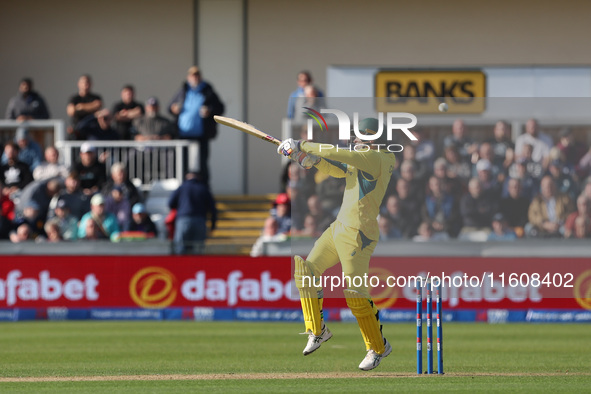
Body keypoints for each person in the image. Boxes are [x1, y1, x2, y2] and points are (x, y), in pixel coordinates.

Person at [277, 117, 395, 371]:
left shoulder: (376, 159)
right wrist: (308, 160)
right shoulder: (363, 159)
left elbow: (336, 152)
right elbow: (338, 168)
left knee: (354, 294)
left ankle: (378, 347)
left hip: (359, 235)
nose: (355, 140)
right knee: (305, 271)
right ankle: (317, 331)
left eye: (359, 137)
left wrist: (301, 144)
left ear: (372, 139)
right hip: (339, 228)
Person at [168, 66, 225, 183]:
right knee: (182, 164)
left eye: (197, 75)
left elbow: (220, 107)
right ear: (188, 77)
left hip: (201, 136)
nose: (195, 78)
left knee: (202, 165)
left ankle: (203, 190)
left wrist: (209, 110)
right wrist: (173, 109)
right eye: (192, 75)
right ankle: (183, 189)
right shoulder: (183, 90)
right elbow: (169, 107)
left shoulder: (207, 91)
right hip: (183, 135)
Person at [168, 170, 217, 254]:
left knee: (180, 247)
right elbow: (212, 208)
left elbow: (171, 203)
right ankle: (196, 267)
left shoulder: (182, 188)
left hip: (183, 220)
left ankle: (181, 266)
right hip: (200, 221)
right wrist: (213, 224)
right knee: (197, 249)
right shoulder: (203, 188)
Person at [66, 74, 103, 140]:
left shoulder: (96, 97)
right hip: (77, 129)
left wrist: (80, 107)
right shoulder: (74, 99)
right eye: (83, 82)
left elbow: (97, 105)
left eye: (87, 82)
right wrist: (91, 107)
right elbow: (71, 111)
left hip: (92, 130)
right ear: (79, 84)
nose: (85, 84)